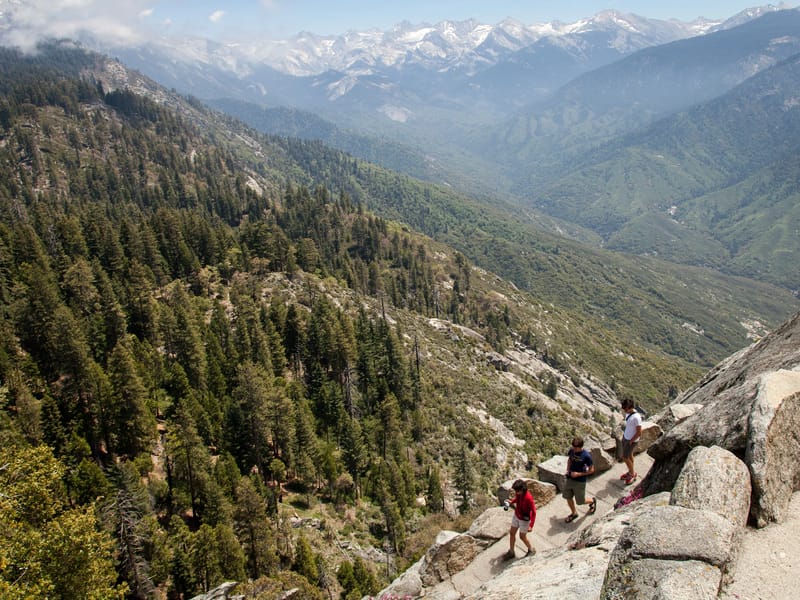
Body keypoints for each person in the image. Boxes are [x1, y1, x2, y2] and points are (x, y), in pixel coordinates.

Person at [563, 436, 596, 523]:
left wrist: (579, 474)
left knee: (580, 501)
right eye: (573, 446)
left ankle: (592, 501)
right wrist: (568, 470)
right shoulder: (572, 451)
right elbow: (569, 460)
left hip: (580, 481)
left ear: (580, 447)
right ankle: (574, 513)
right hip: (570, 478)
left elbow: (592, 470)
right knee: (567, 496)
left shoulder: (586, 456)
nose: (574, 448)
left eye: (575, 447)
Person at [504, 479, 536, 559]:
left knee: (522, 537)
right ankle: (511, 552)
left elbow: (534, 512)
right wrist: (511, 502)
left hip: (524, 520)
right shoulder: (519, 494)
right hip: (517, 515)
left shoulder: (529, 498)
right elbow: (517, 500)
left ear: (522, 490)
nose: (516, 492)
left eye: (517, 491)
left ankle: (531, 549)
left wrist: (531, 525)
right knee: (512, 533)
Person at [620, 398, 643, 484]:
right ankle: (631, 471)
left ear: (630, 407)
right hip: (626, 437)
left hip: (631, 440)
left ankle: (632, 473)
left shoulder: (636, 417)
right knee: (629, 455)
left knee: (625, 457)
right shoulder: (629, 414)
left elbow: (639, 432)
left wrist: (631, 441)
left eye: (625, 409)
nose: (624, 411)